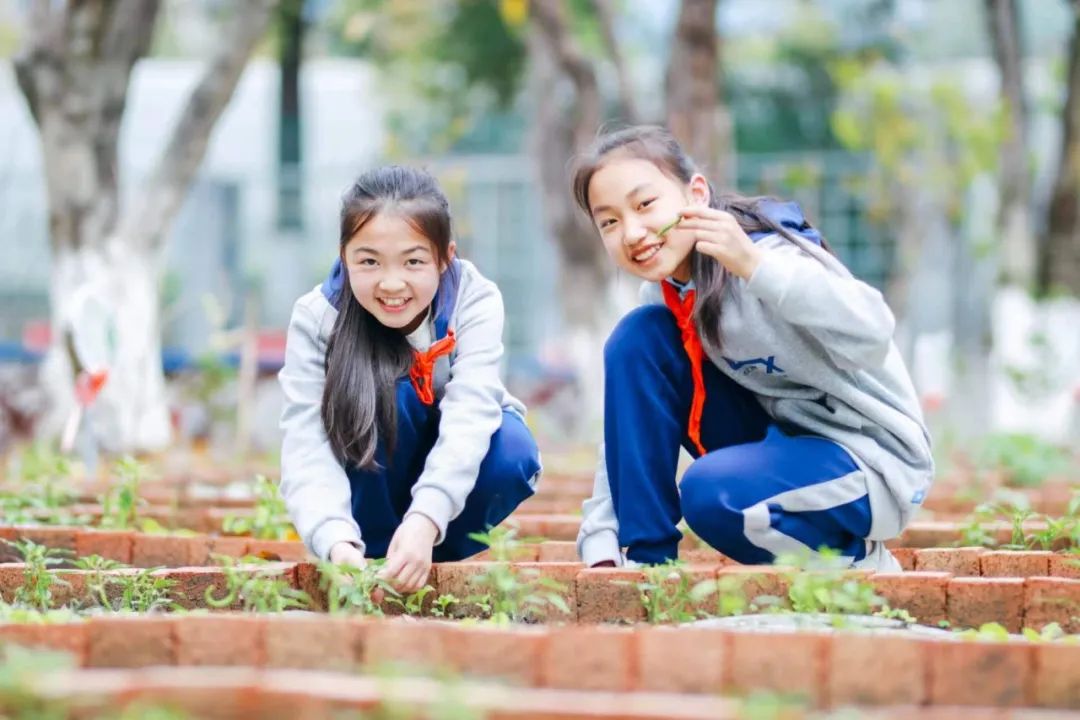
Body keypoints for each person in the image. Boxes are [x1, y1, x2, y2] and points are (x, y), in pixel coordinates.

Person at [570, 126, 933, 571]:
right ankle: (649, 565)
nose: (632, 232)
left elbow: (875, 330)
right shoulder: (666, 299)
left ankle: (855, 562)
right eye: (609, 221)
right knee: (637, 338)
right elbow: (628, 426)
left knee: (712, 493)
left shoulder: (770, 256)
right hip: (781, 450)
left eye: (645, 205)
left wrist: (755, 266)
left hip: (868, 464)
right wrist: (601, 534)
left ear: (696, 193)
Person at [279, 165, 541, 592]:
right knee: (390, 392)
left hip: (443, 501)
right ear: (344, 256)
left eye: (414, 261)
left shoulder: (474, 298)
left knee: (512, 447)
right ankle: (377, 557)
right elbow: (305, 441)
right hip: (367, 493)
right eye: (369, 261)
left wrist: (425, 520)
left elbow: (471, 412)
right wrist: (335, 541)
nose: (392, 283)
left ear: (445, 257)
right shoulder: (316, 317)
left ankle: (426, 557)